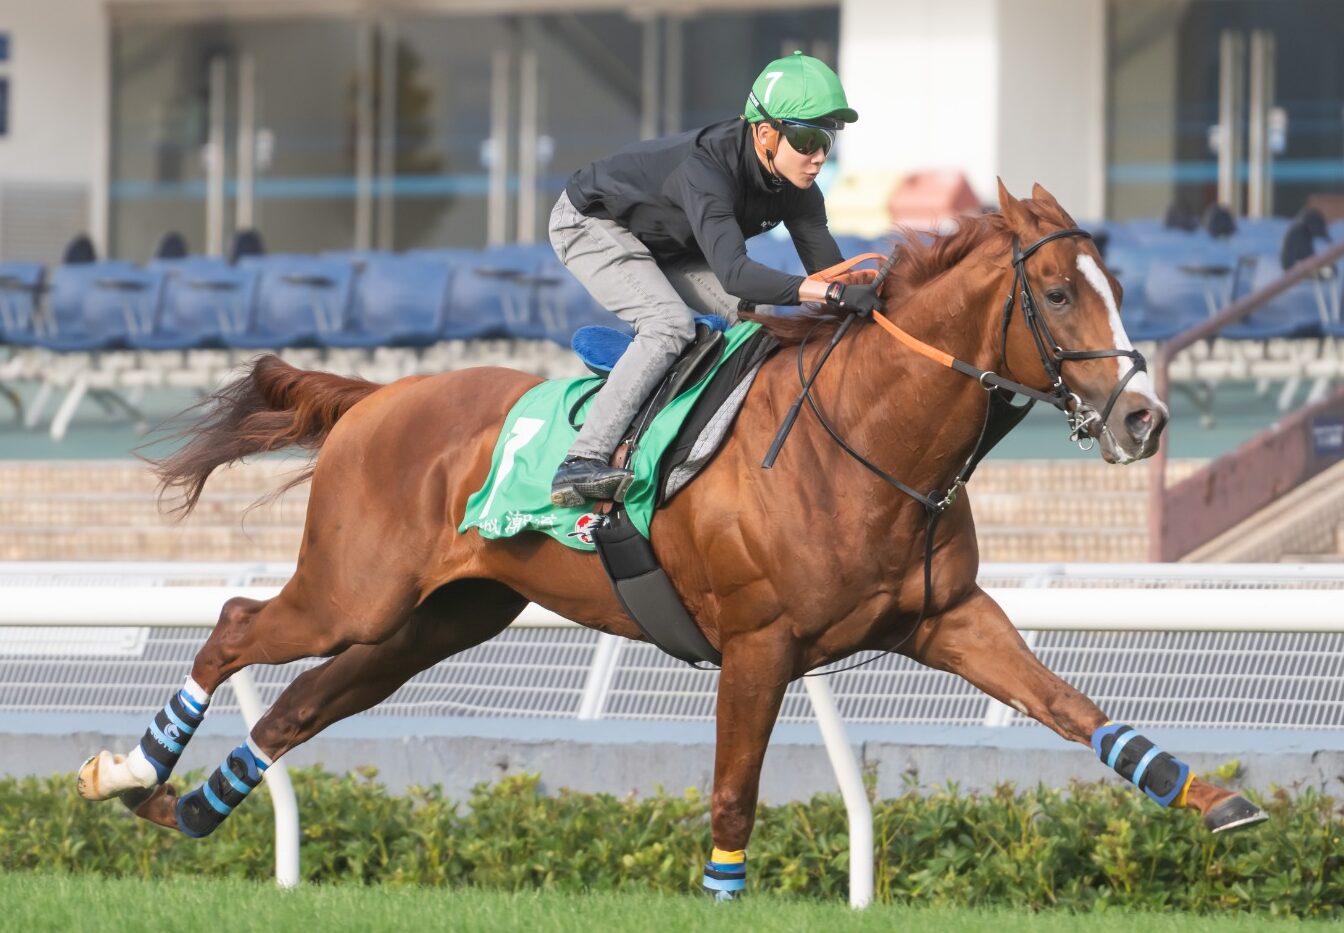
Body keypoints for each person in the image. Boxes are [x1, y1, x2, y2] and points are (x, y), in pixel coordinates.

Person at [548, 51, 880, 508]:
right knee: (669, 325)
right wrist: (831, 290)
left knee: (761, 324)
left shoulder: (800, 191)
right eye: (807, 139)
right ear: (765, 133)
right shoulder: (707, 170)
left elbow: (829, 279)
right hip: (592, 221)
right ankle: (580, 461)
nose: (818, 157)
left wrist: (866, 290)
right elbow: (737, 273)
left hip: (669, 242)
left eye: (828, 142)